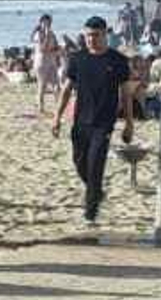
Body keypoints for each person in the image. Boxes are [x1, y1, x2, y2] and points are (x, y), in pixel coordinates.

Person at [53, 13, 134, 233]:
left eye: (95, 35)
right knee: (80, 164)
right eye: (88, 36)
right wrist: (57, 117)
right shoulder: (78, 59)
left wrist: (128, 123)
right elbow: (67, 90)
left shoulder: (117, 60)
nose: (91, 40)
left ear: (105, 34)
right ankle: (96, 191)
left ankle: (90, 212)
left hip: (103, 124)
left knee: (95, 165)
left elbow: (126, 95)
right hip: (80, 123)